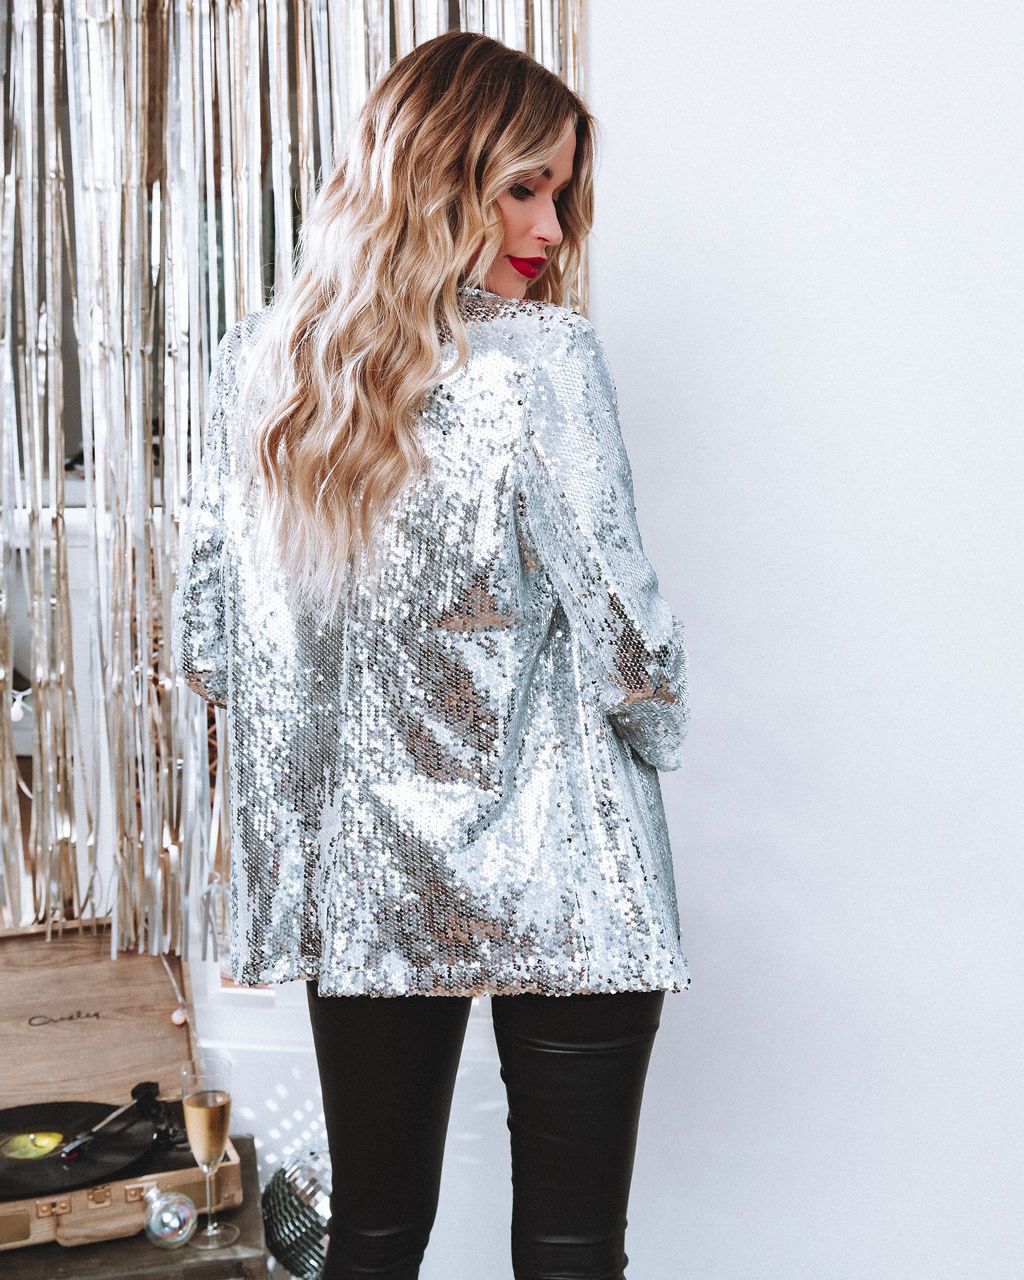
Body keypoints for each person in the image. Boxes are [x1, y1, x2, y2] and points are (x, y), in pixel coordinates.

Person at [171, 29, 691, 1280]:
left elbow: (208, 642)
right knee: (571, 1251)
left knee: (372, 1235)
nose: (550, 228)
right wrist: (660, 728)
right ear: (432, 177)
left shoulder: (261, 364)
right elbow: (629, 641)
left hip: (367, 883)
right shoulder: (545, 362)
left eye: (561, 192)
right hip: (573, 867)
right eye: (523, 187)